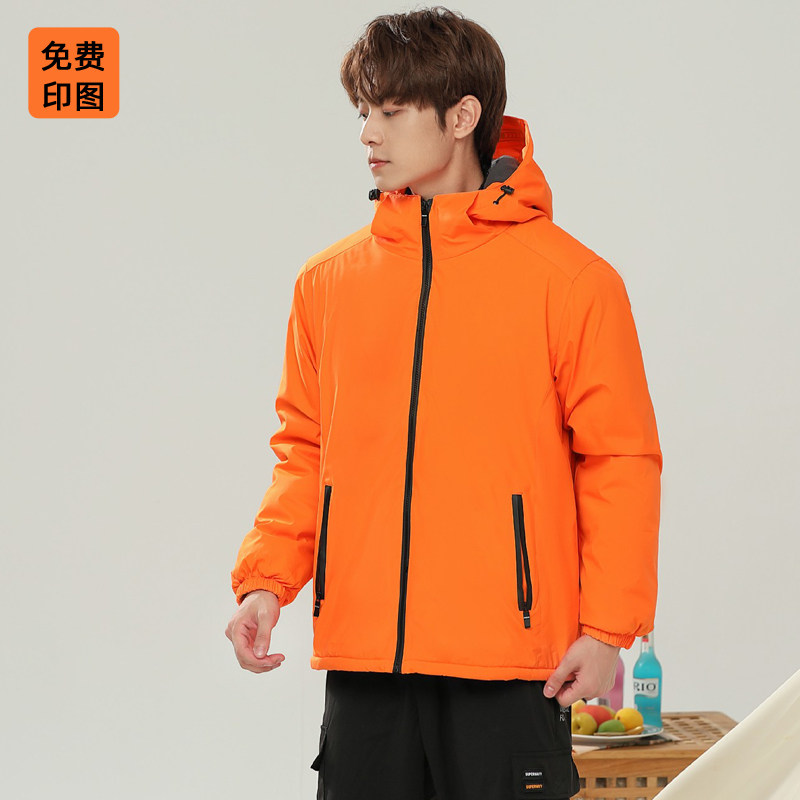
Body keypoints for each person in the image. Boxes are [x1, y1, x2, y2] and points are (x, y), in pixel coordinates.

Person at [225, 7, 662, 800]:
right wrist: (266, 581)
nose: (369, 133)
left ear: (461, 117)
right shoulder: (327, 284)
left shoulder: (572, 283)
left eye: (392, 111)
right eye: (364, 111)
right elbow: (305, 450)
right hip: (367, 661)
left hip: (510, 662)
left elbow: (619, 463)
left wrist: (607, 631)